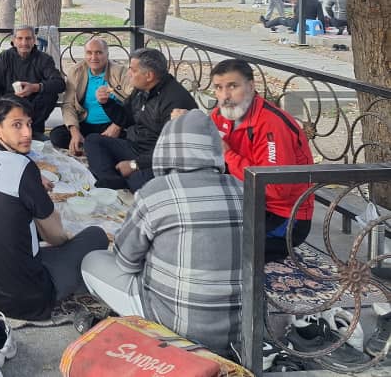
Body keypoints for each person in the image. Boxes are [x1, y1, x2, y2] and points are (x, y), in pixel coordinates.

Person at [81, 110, 243, 357]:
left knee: (92, 261)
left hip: (174, 325)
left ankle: (144, 330)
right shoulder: (242, 189)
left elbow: (125, 261)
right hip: (238, 330)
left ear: (167, 145)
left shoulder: (156, 191)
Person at [0, 98, 109, 321]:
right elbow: (55, 237)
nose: (27, 133)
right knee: (96, 235)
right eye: (17, 125)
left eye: (28, 124)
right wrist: (67, 237)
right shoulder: (23, 167)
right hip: (26, 298)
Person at [208, 59, 314, 261]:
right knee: (189, 233)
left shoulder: (271, 124)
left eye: (233, 86)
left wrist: (228, 154)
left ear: (251, 86)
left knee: (218, 252)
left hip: (284, 216)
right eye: (218, 88)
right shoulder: (219, 115)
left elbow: (276, 189)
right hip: (244, 202)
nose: (225, 96)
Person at [84, 48, 197, 191]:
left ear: (149, 75)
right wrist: (106, 103)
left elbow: (171, 149)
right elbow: (126, 119)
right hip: (135, 146)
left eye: (133, 70)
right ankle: (113, 180)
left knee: (137, 181)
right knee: (93, 140)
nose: (128, 74)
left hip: (158, 157)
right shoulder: (141, 88)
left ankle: (119, 177)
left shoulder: (175, 101)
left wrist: (135, 164)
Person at [50, 36, 131, 154]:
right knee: (57, 136)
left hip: (112, 124)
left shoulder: (120, 72)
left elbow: (134, 100)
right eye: (89, 53)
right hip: (85, 124)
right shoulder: (76, 71)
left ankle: (92, 146)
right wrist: (75, 132)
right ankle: (98, 145)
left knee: (133, 137)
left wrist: (117, 126)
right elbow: (68, 104)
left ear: (107, 55)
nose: (93, 57)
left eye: (99, 53)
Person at [0, 25, 66, 140]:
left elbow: (60, 84)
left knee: (50, 94)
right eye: (20, 38)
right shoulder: (4, 58)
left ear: (34, 40)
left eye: (28, 38)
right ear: (13, 41)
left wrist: (35, 87)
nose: (24, 43)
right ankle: (9, 130)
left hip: (35, 107)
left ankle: (34, 132)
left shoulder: (44, 59)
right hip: (11, 104)